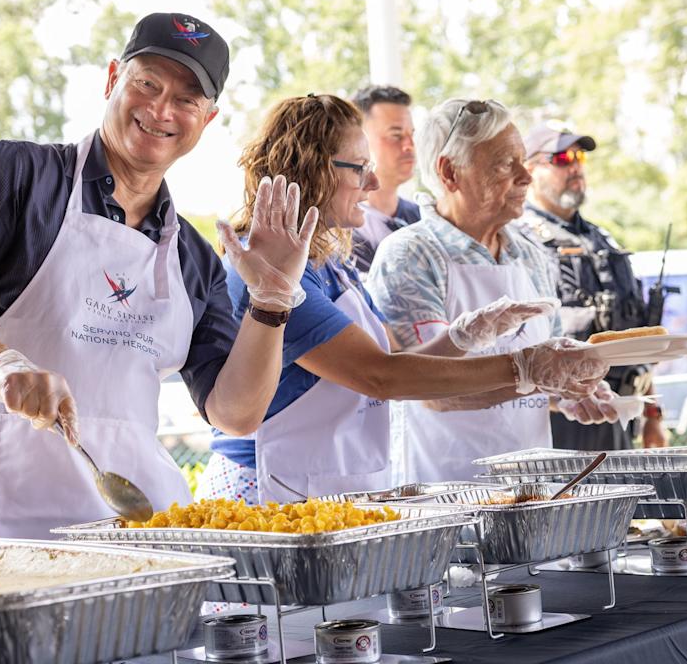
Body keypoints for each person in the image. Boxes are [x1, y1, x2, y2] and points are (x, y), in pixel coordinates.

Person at [0, 13, 315, 541]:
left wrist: (272, 299)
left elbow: (234, 413)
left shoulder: (193, 255)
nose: (161, 109)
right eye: (147, 83)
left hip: (122, 532)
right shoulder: (19, 177)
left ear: (208, 119)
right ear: (111, 79)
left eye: (187, 99)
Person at [202, 94, 610, 503]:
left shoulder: (330, 263)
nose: (375, 184)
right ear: (314, 171)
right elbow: (379, 376)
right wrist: (524, 369)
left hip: (326, 485)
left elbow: (394, 365)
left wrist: (463, 336)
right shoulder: (265, 267)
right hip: (267, 490)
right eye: (361, 168)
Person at [367, 99, 626, 483]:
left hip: (532, 486)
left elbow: (547, 363)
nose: (526, 176)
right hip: (445, 487)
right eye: (506, 163)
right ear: (450, 171)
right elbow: (432, 390)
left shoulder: (531, 254)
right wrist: (539, 376)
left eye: (524, 161)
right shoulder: (411, 254)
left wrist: (572, 391)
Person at [518, 120, 666, 450]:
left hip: (619, 415)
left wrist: (654, 413)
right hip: (561, 419)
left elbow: (633, 334)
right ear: (528, 170)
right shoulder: (519, 244)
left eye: (579, 158)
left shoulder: (604, 241)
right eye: (560, 159)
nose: (574, 167)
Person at [350, 85, 420, 273]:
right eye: (396, 135)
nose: (409, 146)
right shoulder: (344, 229)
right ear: (359, 140)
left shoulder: (422, 218)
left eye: (411, 134)